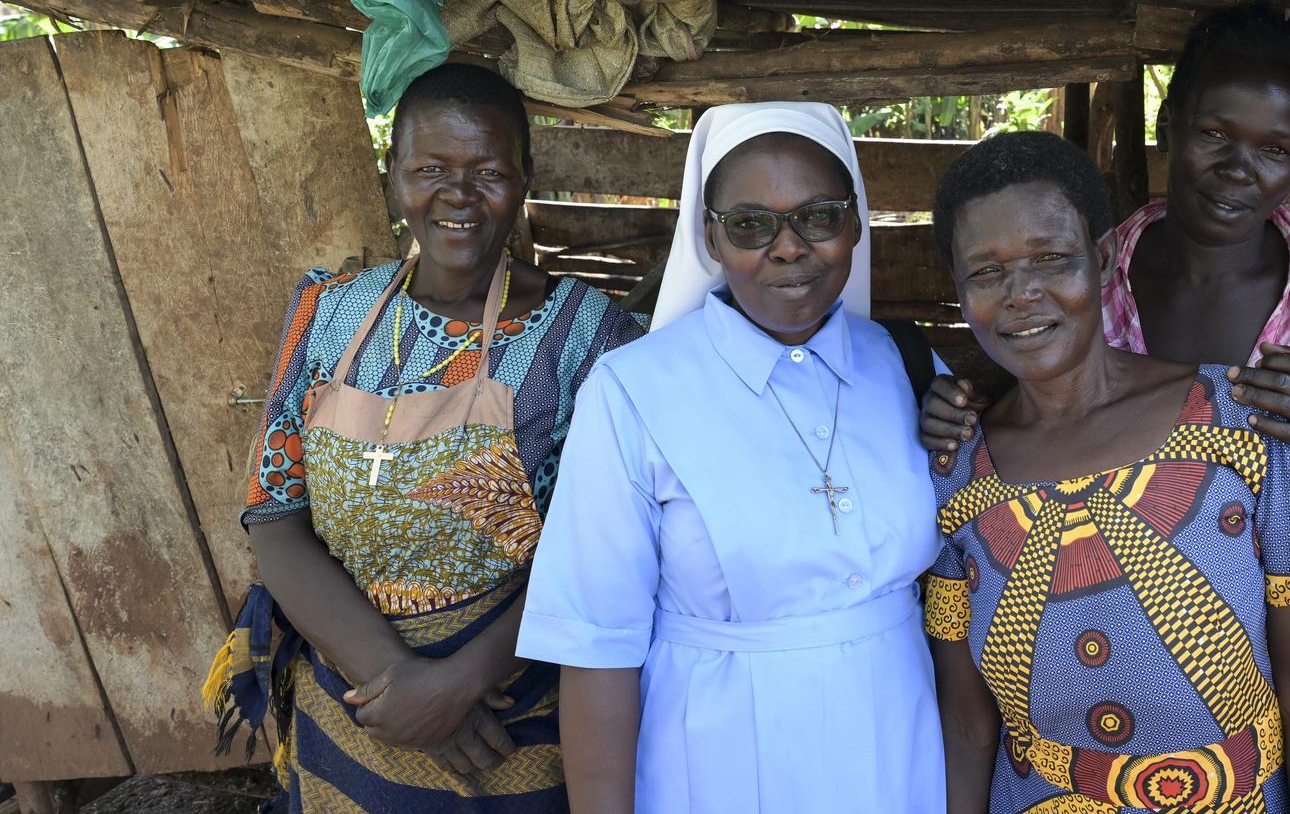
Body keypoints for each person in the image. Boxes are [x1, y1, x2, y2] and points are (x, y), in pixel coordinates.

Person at [922, 4, 1290, 813]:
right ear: (1170, 123)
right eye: (1214, 134)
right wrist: (965, 402)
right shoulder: (1099, 259)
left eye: (1275, 149)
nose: (1238, 168)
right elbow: (1046, 372)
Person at [206, 63, 645, 811]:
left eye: (488, 171)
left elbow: (605, 549)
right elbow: (274, 517)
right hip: (349, 709)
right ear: (392, 175)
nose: (458, 195)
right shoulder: (330, 313)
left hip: (512, 719)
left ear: (525, 177)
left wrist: (458, 684)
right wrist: (399, 686)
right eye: (430, 169)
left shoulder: (591, 337)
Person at [516, 102, 946, 814]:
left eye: (819, 215)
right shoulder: (633, 393)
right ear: (710, 235)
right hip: (718, 763)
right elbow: (597, 649)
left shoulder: (906, 366)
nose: (787, 246)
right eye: (750, 223)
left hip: (898, 749)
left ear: (857, 220)